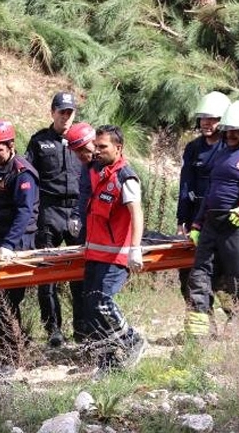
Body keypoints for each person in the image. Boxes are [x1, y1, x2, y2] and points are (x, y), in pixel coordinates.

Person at [184, 100, 239, 339]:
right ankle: (198, 337)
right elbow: (210, 192)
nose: (231, 135)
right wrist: (197, 223)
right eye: (228, 130)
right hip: (211, 225)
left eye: (237, 131)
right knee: (200, 276)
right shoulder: (222, 154)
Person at [83, 124, 147, 375]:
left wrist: (135, 249)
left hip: (115, 254)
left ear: (118, 148)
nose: (97, 151)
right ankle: (107, 361)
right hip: (95, 252)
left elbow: (136, 213)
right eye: (96, 146)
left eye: (103, 147)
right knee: (90, 306)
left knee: (102, 302)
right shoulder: (101, 173)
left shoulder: (125, 177)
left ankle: (132, 340)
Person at [25, 91, 87, 346]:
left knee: (79, 272)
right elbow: (28, 176)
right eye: (62, 112)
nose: (66, 117)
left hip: (77, 210)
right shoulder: (39, 142)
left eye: (70, 112)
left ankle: (82, 328)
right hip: (49, 212)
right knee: (47, 274)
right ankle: (53, 330)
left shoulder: (83, 140)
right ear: (52, 112)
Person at [0, 118, 39, 362]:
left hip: (18, 241)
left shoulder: (22, 173)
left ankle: (13, 349)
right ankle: (14, 341)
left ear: (11, 146)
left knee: (10, 299)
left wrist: (8, 245)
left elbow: (24, 213)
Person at [176, 91, 230, 303]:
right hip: (195, 220)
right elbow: (185, 185)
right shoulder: (193, 148)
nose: (206, 123)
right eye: (203, 118)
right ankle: (200, 317)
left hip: (221, 219)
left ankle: (237, 317)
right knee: (190, 273)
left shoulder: (230, 148)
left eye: (213, 118)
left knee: (224, 274)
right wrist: (182, 221)